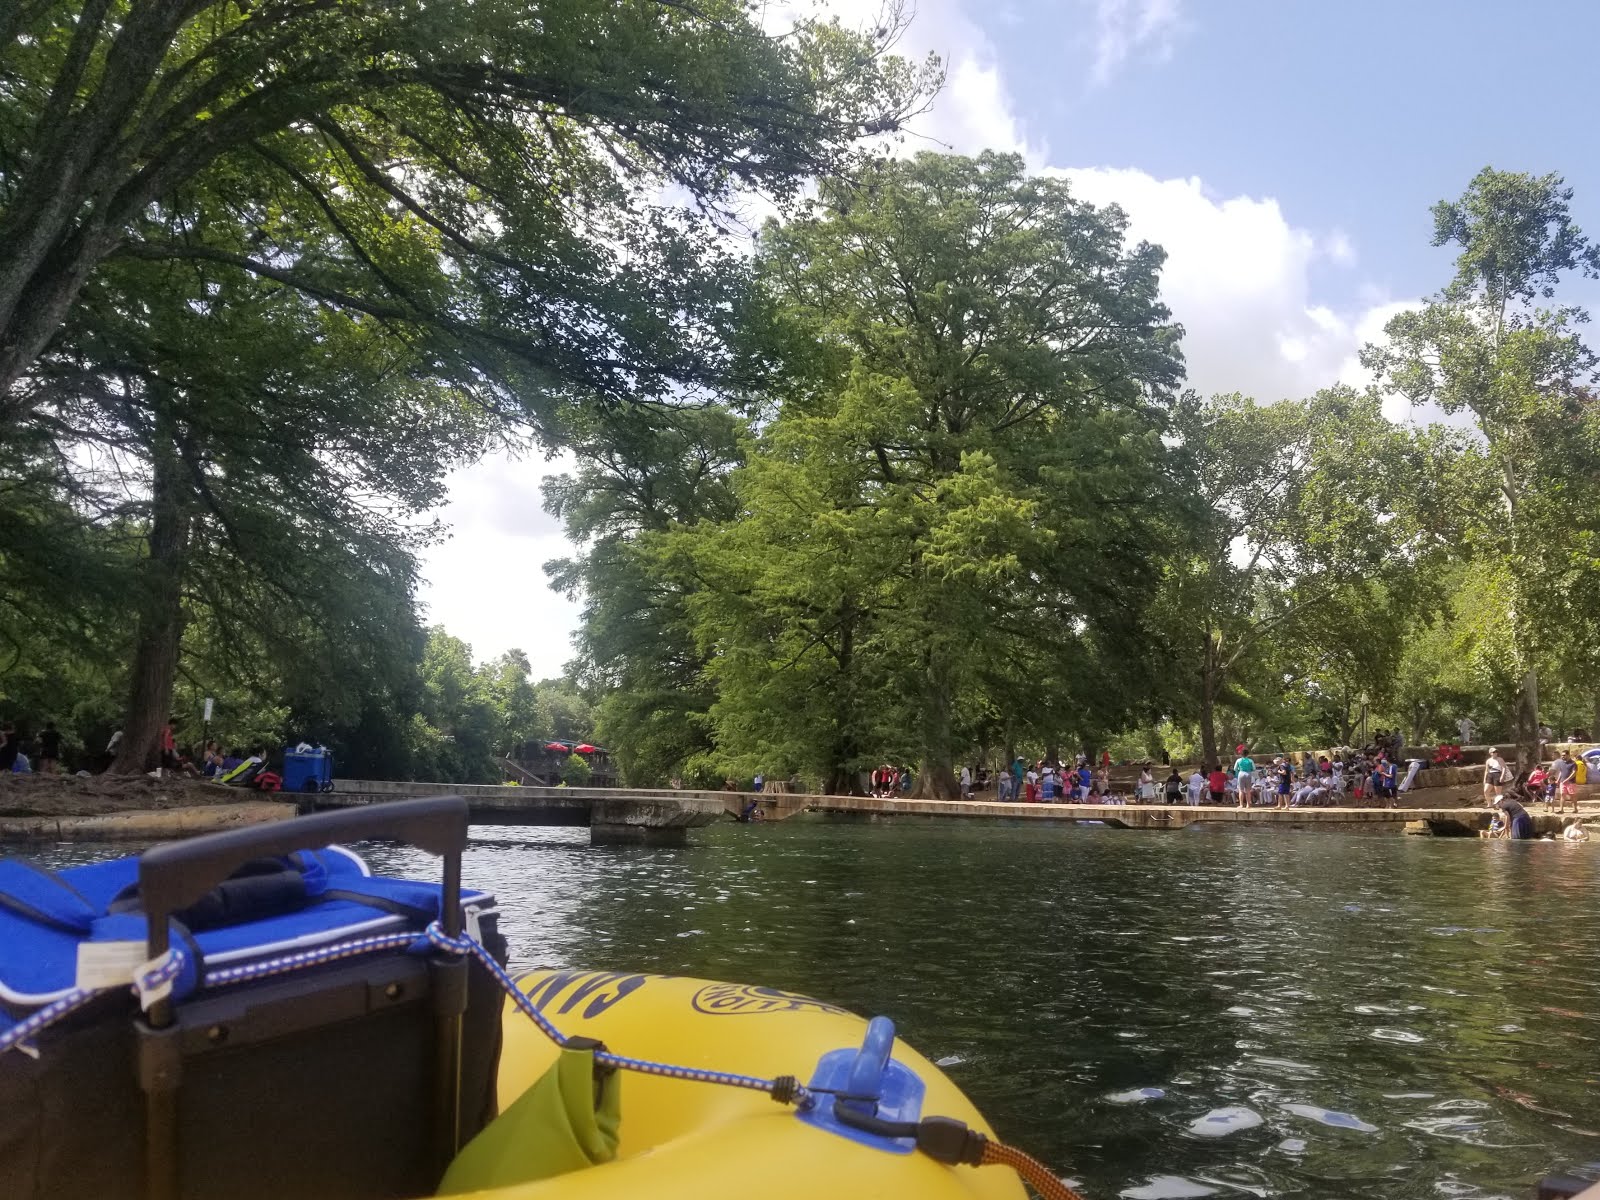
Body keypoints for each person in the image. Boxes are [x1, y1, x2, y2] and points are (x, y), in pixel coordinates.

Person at [1551, 750, 1579, 814]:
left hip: (1571, 782)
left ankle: (1575, 809)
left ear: (1568, 755)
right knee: (1562, 795)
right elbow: (1561, 772)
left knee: (1572, 796)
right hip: (1562, 782)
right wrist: (1558, 780)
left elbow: (1574, 773)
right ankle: (1561, 810)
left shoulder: (1573, 763)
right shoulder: (1561, 763)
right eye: (1562, 755)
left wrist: (1567, 779)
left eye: (1564, 755)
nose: (1562, 756)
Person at [1231, 745, 1254, 810]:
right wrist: (1249, 769)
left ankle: (1241, 805)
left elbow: (1235, 769)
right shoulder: (1250, 760)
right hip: (1248, 774)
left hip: (1241, 773)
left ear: (1241, 754)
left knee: (1241, 790)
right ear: (1247, 754)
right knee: (1248, 790)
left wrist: (1239, 769)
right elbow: (1254, 768)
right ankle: (1248, 805)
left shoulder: (1238, 760)